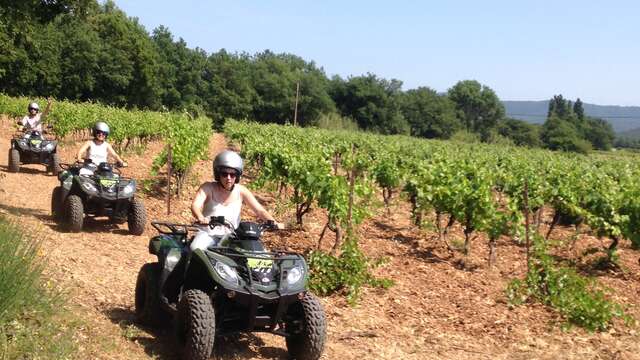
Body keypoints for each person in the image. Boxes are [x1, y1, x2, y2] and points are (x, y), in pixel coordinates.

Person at [190, 150, 284, 251]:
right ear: (218, 174)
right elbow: (195, 205)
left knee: (259, 255)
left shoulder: (241, 191)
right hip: (208, 234)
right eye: (224, 174)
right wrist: (200, 217)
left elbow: (259, 210)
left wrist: (274, 223)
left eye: (232, 174)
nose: (228, 178)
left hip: (233, 237)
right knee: (195, 248)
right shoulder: (207, 188)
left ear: (237, 176)